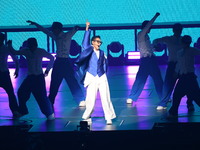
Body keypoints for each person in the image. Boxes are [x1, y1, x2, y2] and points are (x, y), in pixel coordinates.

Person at [26, 20, 85, 107]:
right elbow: (45, 30)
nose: (52, 31)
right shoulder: (55, 36)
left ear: (58, 29)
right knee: (55, 82)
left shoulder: (67, 35)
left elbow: (74, 30)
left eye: (54, 29)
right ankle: (50, 101)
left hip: (66, 61)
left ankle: (80, 99)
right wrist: (36, 24)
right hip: (58, 61)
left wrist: (76, 28)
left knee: (72, 81)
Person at [75, 21, 116, 125]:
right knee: (90, 98)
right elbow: (84, 43)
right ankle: (87, 115)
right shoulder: (89, 50)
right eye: (97, 41)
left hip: (101, 76)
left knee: (105, 97)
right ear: (93, 42)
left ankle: (108, 117)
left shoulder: (103, 53)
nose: (99, 43)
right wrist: (87, 28)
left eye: (100, 42)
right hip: (91, 76)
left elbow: (105, 65)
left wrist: (104, 74)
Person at [8, 38, 55, 120]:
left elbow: (51, 58)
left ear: (35, 45)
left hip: (38, 77)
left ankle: (49, 113)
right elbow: (15, 52)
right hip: (30, 77)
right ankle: (23, 110)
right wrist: (10, 45)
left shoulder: (40, 51)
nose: (31, 47)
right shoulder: (26, 51)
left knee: (42, 97)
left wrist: (47, 70)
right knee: (21, 92)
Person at [153, 23, 194, 111]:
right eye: (177, 29)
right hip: (172, 64)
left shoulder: (182, 40)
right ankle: (163, 102)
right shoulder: (168, 39)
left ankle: (189, 103)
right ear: (174, 30)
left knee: (188, 84)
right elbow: (156, 40)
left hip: (183, 65)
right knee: (168, 84)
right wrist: (155, 46)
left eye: (179, 29)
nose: (178, 31)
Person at [126, 13, 163, 104]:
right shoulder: (141, 34)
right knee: (140, 79)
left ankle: (163, 96)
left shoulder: (146, 36)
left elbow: (149, 48)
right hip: (145, 60)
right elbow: (148, 25)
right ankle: (132, 96)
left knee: (158, 79)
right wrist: (155, 16)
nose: (150, 29)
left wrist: (154, 48)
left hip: (151, 59)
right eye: (149, 27)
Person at [168, 35, 200, 117]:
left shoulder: (192, 50)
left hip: (189, 77)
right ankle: (173, 111)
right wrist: (176, 72)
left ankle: (173, 112)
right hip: (184, 77)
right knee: (177, 95)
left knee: (195, 96)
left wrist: (175, 73)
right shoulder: (181, 52)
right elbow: (179, 64)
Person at [0, 32, 20, 118]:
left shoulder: (6, 48)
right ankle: (15, 110)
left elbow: (15, 59)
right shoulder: (6, 48)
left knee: (10, 93)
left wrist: (17, 69)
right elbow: (15, 59)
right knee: (10, 93)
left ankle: (15, 110)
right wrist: (17, 69)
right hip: (4, 72)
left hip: (4, 73)